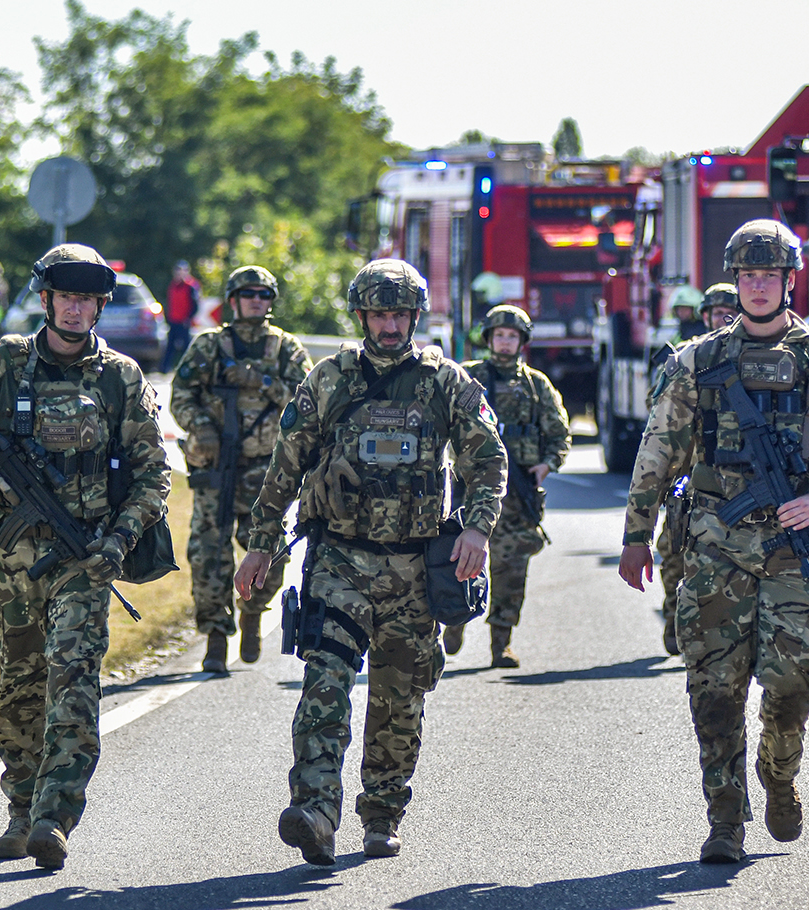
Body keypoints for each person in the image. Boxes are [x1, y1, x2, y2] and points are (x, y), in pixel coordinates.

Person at [617, 220, 809, 865]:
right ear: (735, 282)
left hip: (793, 548)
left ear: (790, 282)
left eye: (770, 275)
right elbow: (658, 450)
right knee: (713, 687)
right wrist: (636, 535)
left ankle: (778, 773)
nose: (758, 286)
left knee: (791, 684)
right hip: (714, 546)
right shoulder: (696, 362)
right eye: (749, 276)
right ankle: (725, 818)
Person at [233, 259, 506, 865]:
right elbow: (285, 465)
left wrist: (478, 528)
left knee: (399, 698)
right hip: (339, 560)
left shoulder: (446, 382)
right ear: (361, 316)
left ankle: (382, 813)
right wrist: (260, 543)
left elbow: (489, 459)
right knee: (324, 683)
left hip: (414, 569)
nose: (390, 325)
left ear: (416, 317)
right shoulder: (328, 379)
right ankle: (315, 811)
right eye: (380, 314)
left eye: (400, 314)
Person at [0, 243, 170, 871]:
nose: (76, 310)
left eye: (87, 299)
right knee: (19, 685)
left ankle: (55, 817)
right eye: (66, 298)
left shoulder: (120, 378)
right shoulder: (3, 364)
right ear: (47, 300)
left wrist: (118, 541)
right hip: (13, 561)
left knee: (74, 680)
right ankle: (22, 807)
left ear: (99, 306)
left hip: (85, 561)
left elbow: (153, 474)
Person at [169, 265, 312, 672]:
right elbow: (182, 395)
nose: (255, 301)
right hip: (217, 466)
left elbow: (306, 402)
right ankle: (216, 637)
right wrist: (201, 427)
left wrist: (261, 381)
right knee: (208, 554)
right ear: (233, 300)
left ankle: (252, 612)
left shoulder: (285, 349)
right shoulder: (210, 346)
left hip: (268, 471)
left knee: (269, 552)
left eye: (263, 295)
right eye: (248, 294)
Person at [444, 304, 569, 667]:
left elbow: (558, 433)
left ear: (522, 341)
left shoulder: (535, 385)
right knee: (458, 561)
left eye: (512, 336)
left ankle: (501, 642)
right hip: (469, 490)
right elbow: (442, 421)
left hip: (517, 495)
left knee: (511, 571)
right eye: (499, 335)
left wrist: (547, 464)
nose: (504, 342)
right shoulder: (468, 377)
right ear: (488, 338)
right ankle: (454, 620)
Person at [652, 282, 739, 654]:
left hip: (732, 480)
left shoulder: (754, 358)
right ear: (706, 317)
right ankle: (675, 619)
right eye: (718, 313)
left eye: (730, 312)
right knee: (673, 553)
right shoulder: (687, 358)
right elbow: (659, 417)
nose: (724, 319)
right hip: (686, 477)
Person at [161, 260, 200, 374]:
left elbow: (195, 306)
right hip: (174, 320)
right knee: (170, 347)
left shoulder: (191, 286)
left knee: (186, 347)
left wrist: (188, 318)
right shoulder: (173, 286)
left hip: (184, 322)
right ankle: (165, 369)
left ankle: (188, 368)